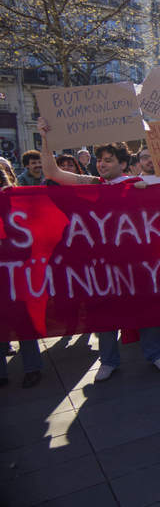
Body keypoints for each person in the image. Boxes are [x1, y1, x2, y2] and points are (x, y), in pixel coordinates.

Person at [37, 117, 160, 382]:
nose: (102, 164)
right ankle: (109, 360)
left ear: (123, 163)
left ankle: (155, 353)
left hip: (137, 264)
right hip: (103, 266)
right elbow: (52, 174)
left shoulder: (137, 184)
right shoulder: (93, 183)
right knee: (104, 312)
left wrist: (150, 189)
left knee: (146, 308)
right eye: (100, 160)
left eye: (109, 160)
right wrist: (45, 138)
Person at [0, 166, 43, 388]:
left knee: (23, 321)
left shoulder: (13, 202)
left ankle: (32, 367)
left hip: (15, 274)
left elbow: (26, 243)